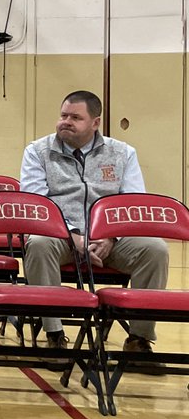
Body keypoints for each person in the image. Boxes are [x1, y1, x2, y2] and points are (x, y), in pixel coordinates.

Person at [20, 90, 167, 364]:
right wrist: (72, 236)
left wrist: (111, 236)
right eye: (63, 115)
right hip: (60, 237)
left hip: (110, 240)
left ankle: (138, 340)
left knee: (155, 249)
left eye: (76, 117)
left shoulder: (123, 153)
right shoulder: (37, 152)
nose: (66, 121)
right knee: (38, 244)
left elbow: (131, 204)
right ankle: (54, 336)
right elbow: (37, 206)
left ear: (95, 123)